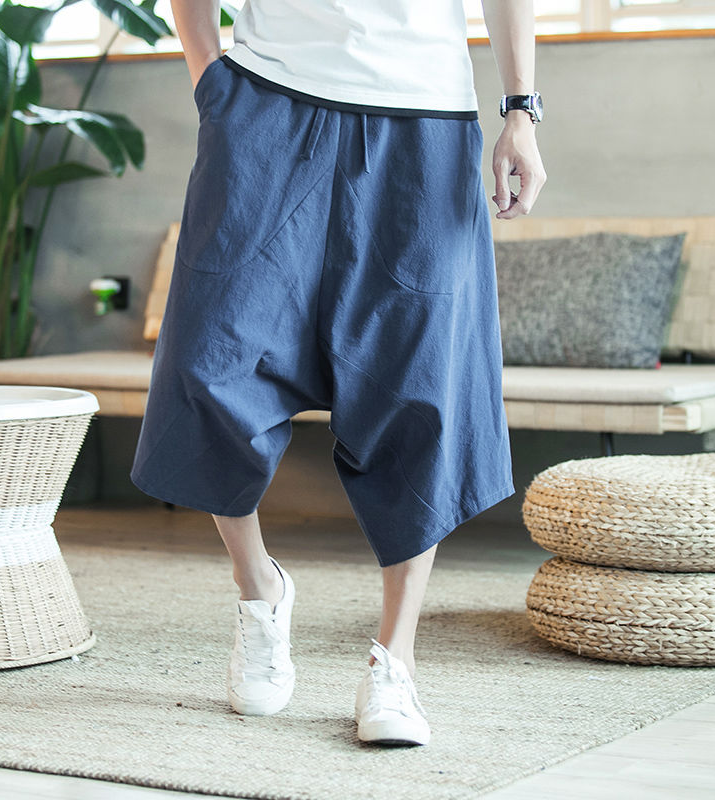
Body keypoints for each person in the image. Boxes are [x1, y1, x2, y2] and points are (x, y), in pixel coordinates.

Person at [131, 0, 546, 746]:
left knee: (421, 386)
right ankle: (258, 587)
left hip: (425, 120)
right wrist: (210, 80)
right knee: (209, 364)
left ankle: (395, 660)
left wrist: (521, 109)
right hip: (266, 104)